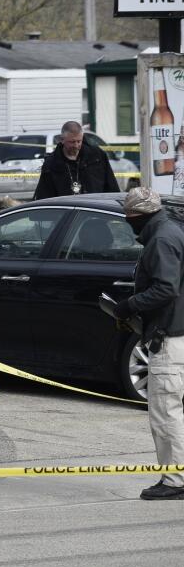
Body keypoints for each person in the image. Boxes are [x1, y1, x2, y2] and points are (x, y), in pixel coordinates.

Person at [113, 188, 184, 500]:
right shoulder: (172, 231)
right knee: (173, 411)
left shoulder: (161, 240)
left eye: (129, 216)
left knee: (166, 413)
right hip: (175, 332)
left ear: (138, 216)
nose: (128, 222)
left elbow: (165, 289)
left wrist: (129, 305)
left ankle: (174, 481)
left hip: (169, 338)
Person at [33, 121, 120, 200]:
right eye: (72, 142)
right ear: (62, 140)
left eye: (79, 141)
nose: (76, 145)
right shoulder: (51, 163)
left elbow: (112, 187)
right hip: (66, 213)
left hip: (96, 212)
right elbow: (43, 196)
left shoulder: (97, 156)